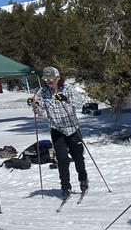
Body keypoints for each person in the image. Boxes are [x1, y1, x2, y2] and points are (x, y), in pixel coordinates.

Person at [30, 66, 88, 201]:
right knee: (61, 159)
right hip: (56, 129)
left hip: (72, 128)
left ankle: (83, 180)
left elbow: (80, 104)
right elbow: (40, 112)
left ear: (58, 78)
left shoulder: (67, 88)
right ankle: (65, 187)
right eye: (46, 80)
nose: (48, 82)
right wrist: (35, 105)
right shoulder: (43, 92)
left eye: (51, 79)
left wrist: (66, 99)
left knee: (78, 156)